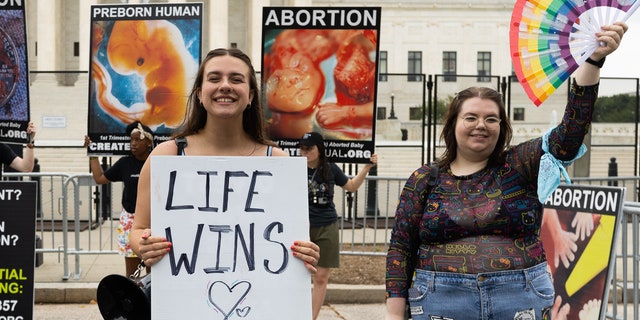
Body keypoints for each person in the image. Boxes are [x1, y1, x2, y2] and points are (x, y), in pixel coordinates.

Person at [385, 22, 627, 320]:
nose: (480, 125)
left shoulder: (520, 164)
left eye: (491, 119)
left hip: (519, 302)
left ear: (501, 128)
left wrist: (593, 61)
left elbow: (569, 135)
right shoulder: (423, 180)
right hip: (440, 304)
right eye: (470, 117)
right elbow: (400, 247)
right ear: (453, 125)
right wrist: (395, 314)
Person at [130, 48, 320, 273]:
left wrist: (307, 252)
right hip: (180, 302)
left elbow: (294, 239)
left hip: (257, 303)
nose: (225, 85)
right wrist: (144, 245)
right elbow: (138, 230)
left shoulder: (278, 162)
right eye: (214, 78)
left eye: (236, 79)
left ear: (250, 96)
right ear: (200, 93)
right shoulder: (166, 156)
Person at [299, 131, 378, 320]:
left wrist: (366, 168)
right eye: (302, 148)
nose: (305, 152)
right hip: (300, 225)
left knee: (320, 277)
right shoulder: (293, 167)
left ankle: (311, 317)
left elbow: (350, 186)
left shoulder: (330, 168)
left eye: (309, 148)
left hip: (326, 225)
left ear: (319, 149)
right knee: (297, 275)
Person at [83, 121, 154, 277]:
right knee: (132, 274)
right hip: (130, 221)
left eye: (138, 140)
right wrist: (92, 153)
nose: (133, 144)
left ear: (148, 142)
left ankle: (151, 301)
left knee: (154, 272)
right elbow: (100, 178)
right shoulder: (125, 163)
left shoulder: (158, 161)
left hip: (154, 222)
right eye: (131, 140)